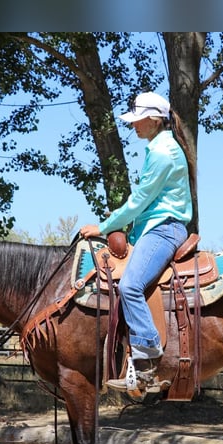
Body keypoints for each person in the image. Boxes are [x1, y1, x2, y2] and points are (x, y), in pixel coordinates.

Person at [79, 92, 195, 392]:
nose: (134, 127)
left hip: (163, 230)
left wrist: (104, 226)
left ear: (154, 120)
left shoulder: (162, 153)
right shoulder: (161, 147)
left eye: (137, 121)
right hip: (154, 228)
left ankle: (147, 353)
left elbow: (140, 201)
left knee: (130, 285)